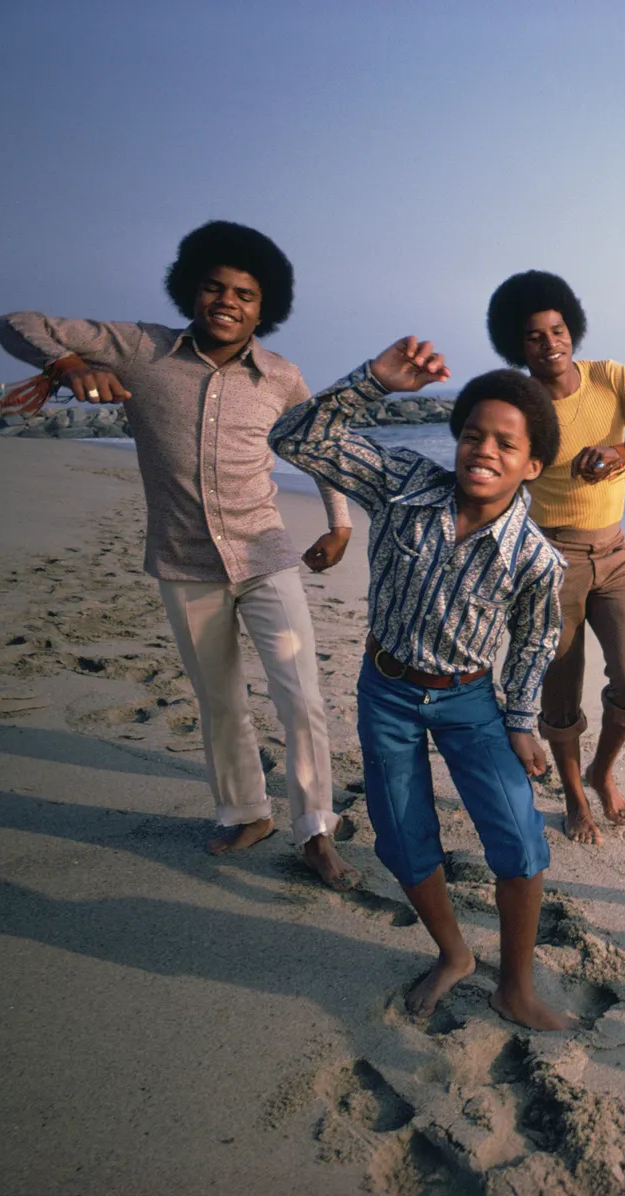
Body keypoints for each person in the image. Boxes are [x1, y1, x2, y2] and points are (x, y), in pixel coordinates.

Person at [0, 221, 359, 889]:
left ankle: (315, 830)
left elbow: (321, 447)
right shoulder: (139, 348)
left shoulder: (282, 376)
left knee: (301, 696)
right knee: (218, 696)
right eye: (214, 288)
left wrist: (339, 525)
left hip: (267, 555)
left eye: (245, 294)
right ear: (191, 293)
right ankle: (247, 812)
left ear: (264, 307)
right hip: (182, 560)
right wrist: (66, 364)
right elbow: (16, 320)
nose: (228, 301)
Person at [270, 340, 574, 1030]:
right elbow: (295, 436)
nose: (483, 451)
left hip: (472, 700)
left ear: (532, 465)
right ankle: (454, 953)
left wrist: (522, 717)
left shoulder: (536, 558)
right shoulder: (402, 485)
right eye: (472, 435)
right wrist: (374, 382)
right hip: (387, 689)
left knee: (519, 842)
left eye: (504, 443)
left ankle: (516, 986)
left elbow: (535, 640)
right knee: (402, 835)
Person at [485, 270, 625, 845]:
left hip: (615, 553)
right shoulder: (519, 402)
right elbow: (498, 470)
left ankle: (604, 770)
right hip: (551, 560)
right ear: (517, 344)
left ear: (571, 329)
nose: (550, 343)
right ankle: (576, 796)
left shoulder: (610, 378)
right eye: (534, 336)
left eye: (557, 330)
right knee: (560, 690)